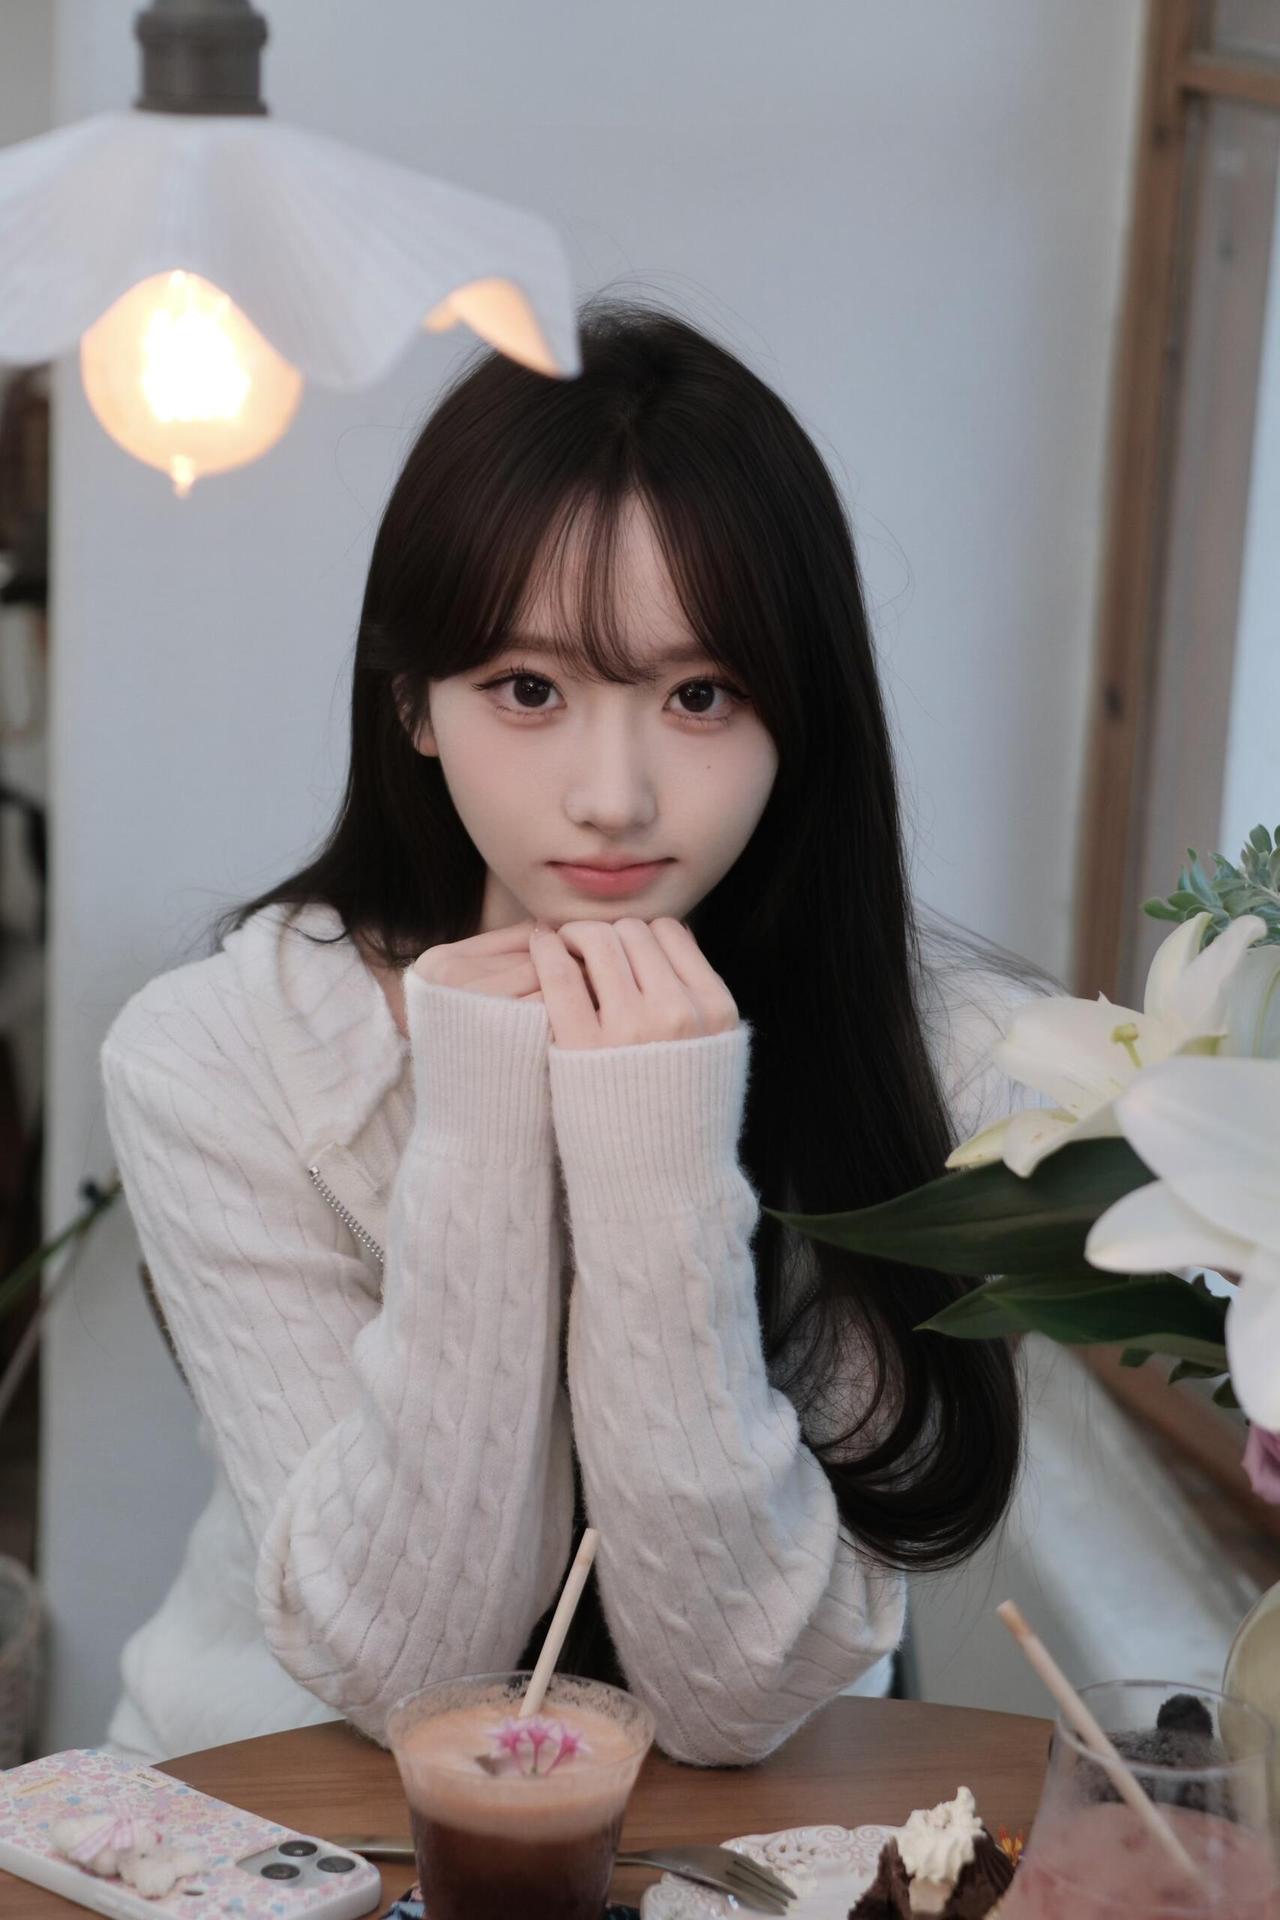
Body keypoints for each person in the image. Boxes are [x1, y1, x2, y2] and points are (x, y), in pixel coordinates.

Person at [99, 297, 1053, 1767]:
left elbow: (731, 1696)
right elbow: (411, 1678)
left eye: (700, 694)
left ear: (801, 716)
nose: (614, 797)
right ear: (415, 704)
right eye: (529, 689)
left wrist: (655, 1146)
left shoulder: (971, 1071)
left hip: (745, 1851)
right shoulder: (219, 1054)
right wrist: (483, 1118)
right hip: (269, 1820)